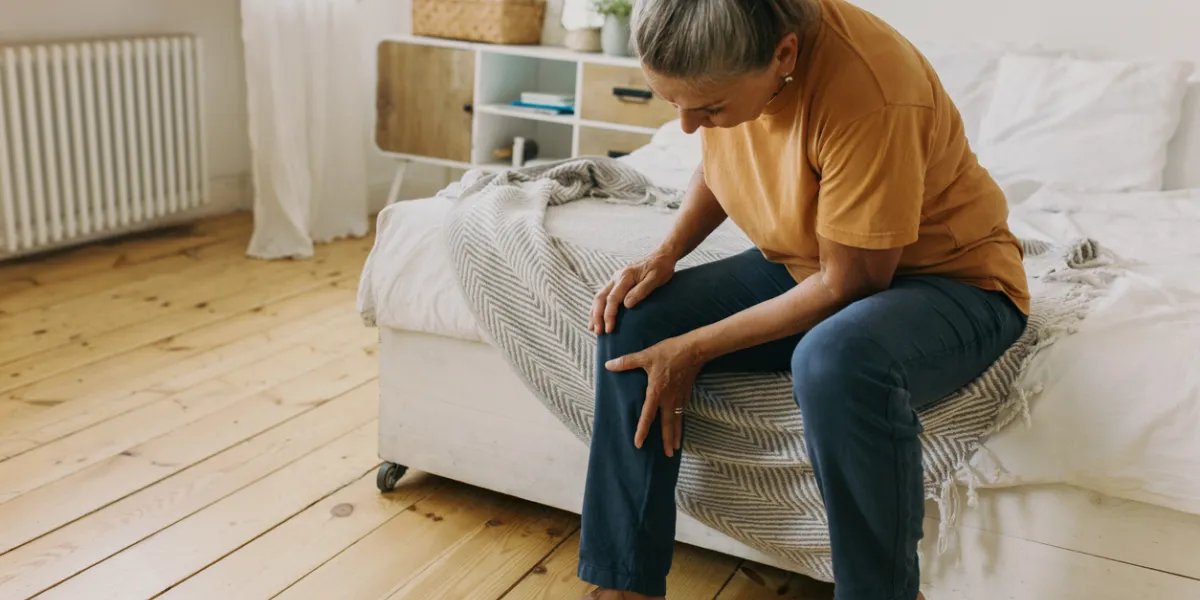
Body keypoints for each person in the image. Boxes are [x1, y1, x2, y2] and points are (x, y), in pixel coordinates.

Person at [577, 0, 1031, 599]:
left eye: (707, 107)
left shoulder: (871, 89)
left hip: (950, 281)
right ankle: (624, 585)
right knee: (633, 323)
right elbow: (721, 161)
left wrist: (694, 348)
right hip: (812, 262)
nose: (687, 126)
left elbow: (852, 283)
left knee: (834, 361)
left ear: (783, 56)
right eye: (673, 104)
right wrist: (665, 254)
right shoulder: (735, 52)